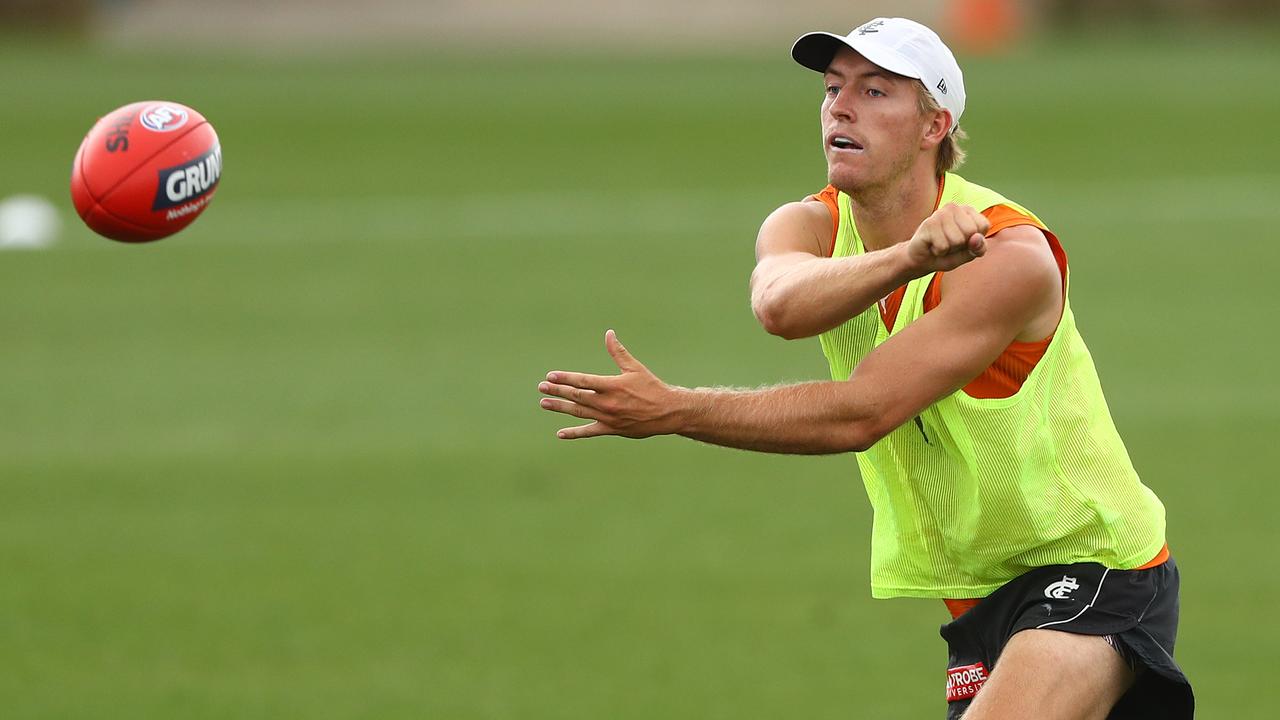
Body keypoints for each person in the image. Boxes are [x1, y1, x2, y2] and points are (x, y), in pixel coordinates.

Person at [537, 17, 1193, 719]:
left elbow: (864, 412)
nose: (840, 107)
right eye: (832, 88)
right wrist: (908, 256)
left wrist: (676, 409)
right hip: (981, 594)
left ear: (933, 124)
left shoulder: (1008, 256)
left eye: (876, 91)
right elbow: (780, 306)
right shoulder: (808, 224)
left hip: (1094, 569)